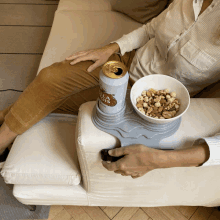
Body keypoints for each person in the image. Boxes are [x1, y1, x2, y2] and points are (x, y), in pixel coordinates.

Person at [0, 0, 219, 179]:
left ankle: (6, 121)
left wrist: (157, 160)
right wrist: (112, 48)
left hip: (153, 103)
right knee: (51, 78)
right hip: (127, 60)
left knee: (70, 103)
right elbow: (153, 28)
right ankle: (3, 139)